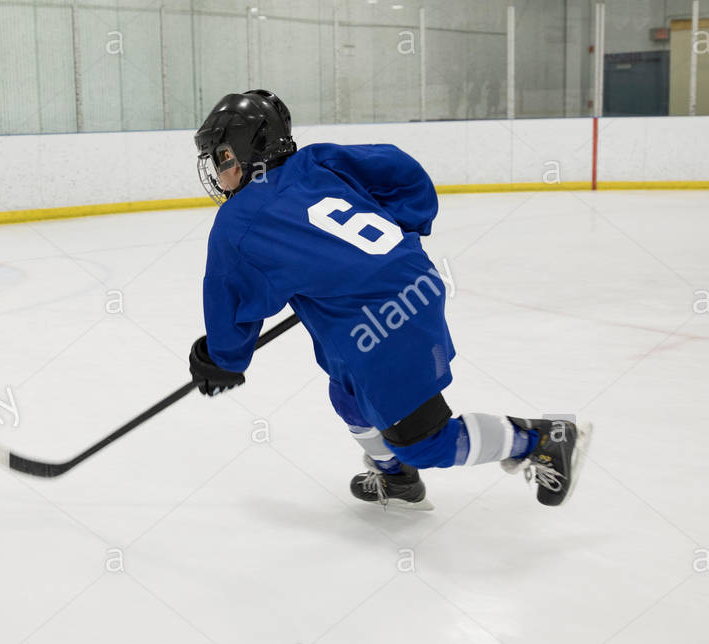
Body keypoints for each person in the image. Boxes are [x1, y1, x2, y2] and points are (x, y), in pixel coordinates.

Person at [187, 90, 591, 508]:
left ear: (251, 152)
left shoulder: (238, 222)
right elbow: (400, 168)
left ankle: (541, 438)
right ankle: (396, 479)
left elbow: (230, 305)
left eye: (223, 157)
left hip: (386, 321)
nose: (219, 173)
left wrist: (220, 361)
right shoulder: (317, 160)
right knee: (347, 395)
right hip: (404, 290)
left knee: (423, 441)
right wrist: (404, 230)